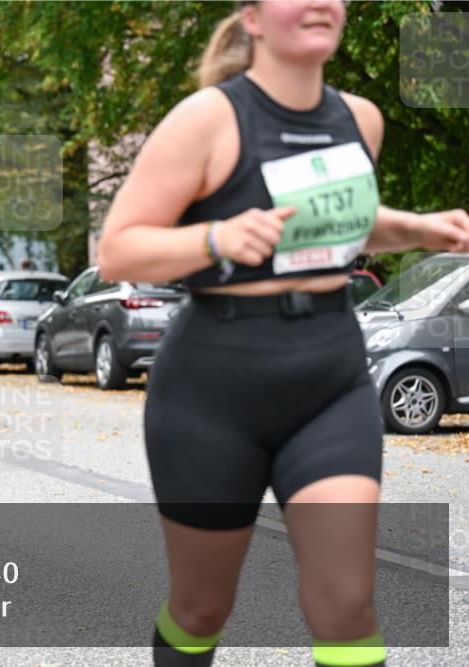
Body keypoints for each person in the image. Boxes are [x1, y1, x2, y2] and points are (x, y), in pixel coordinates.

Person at [97, 2, 469, 666]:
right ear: (254, 16)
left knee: (346, 604)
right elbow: (120, 249)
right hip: (212, 388)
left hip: (329, 376)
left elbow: (333, 220)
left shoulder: (361, 119)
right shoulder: (210, 117)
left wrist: (414, 227)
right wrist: (216, 236)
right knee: (201, 607)